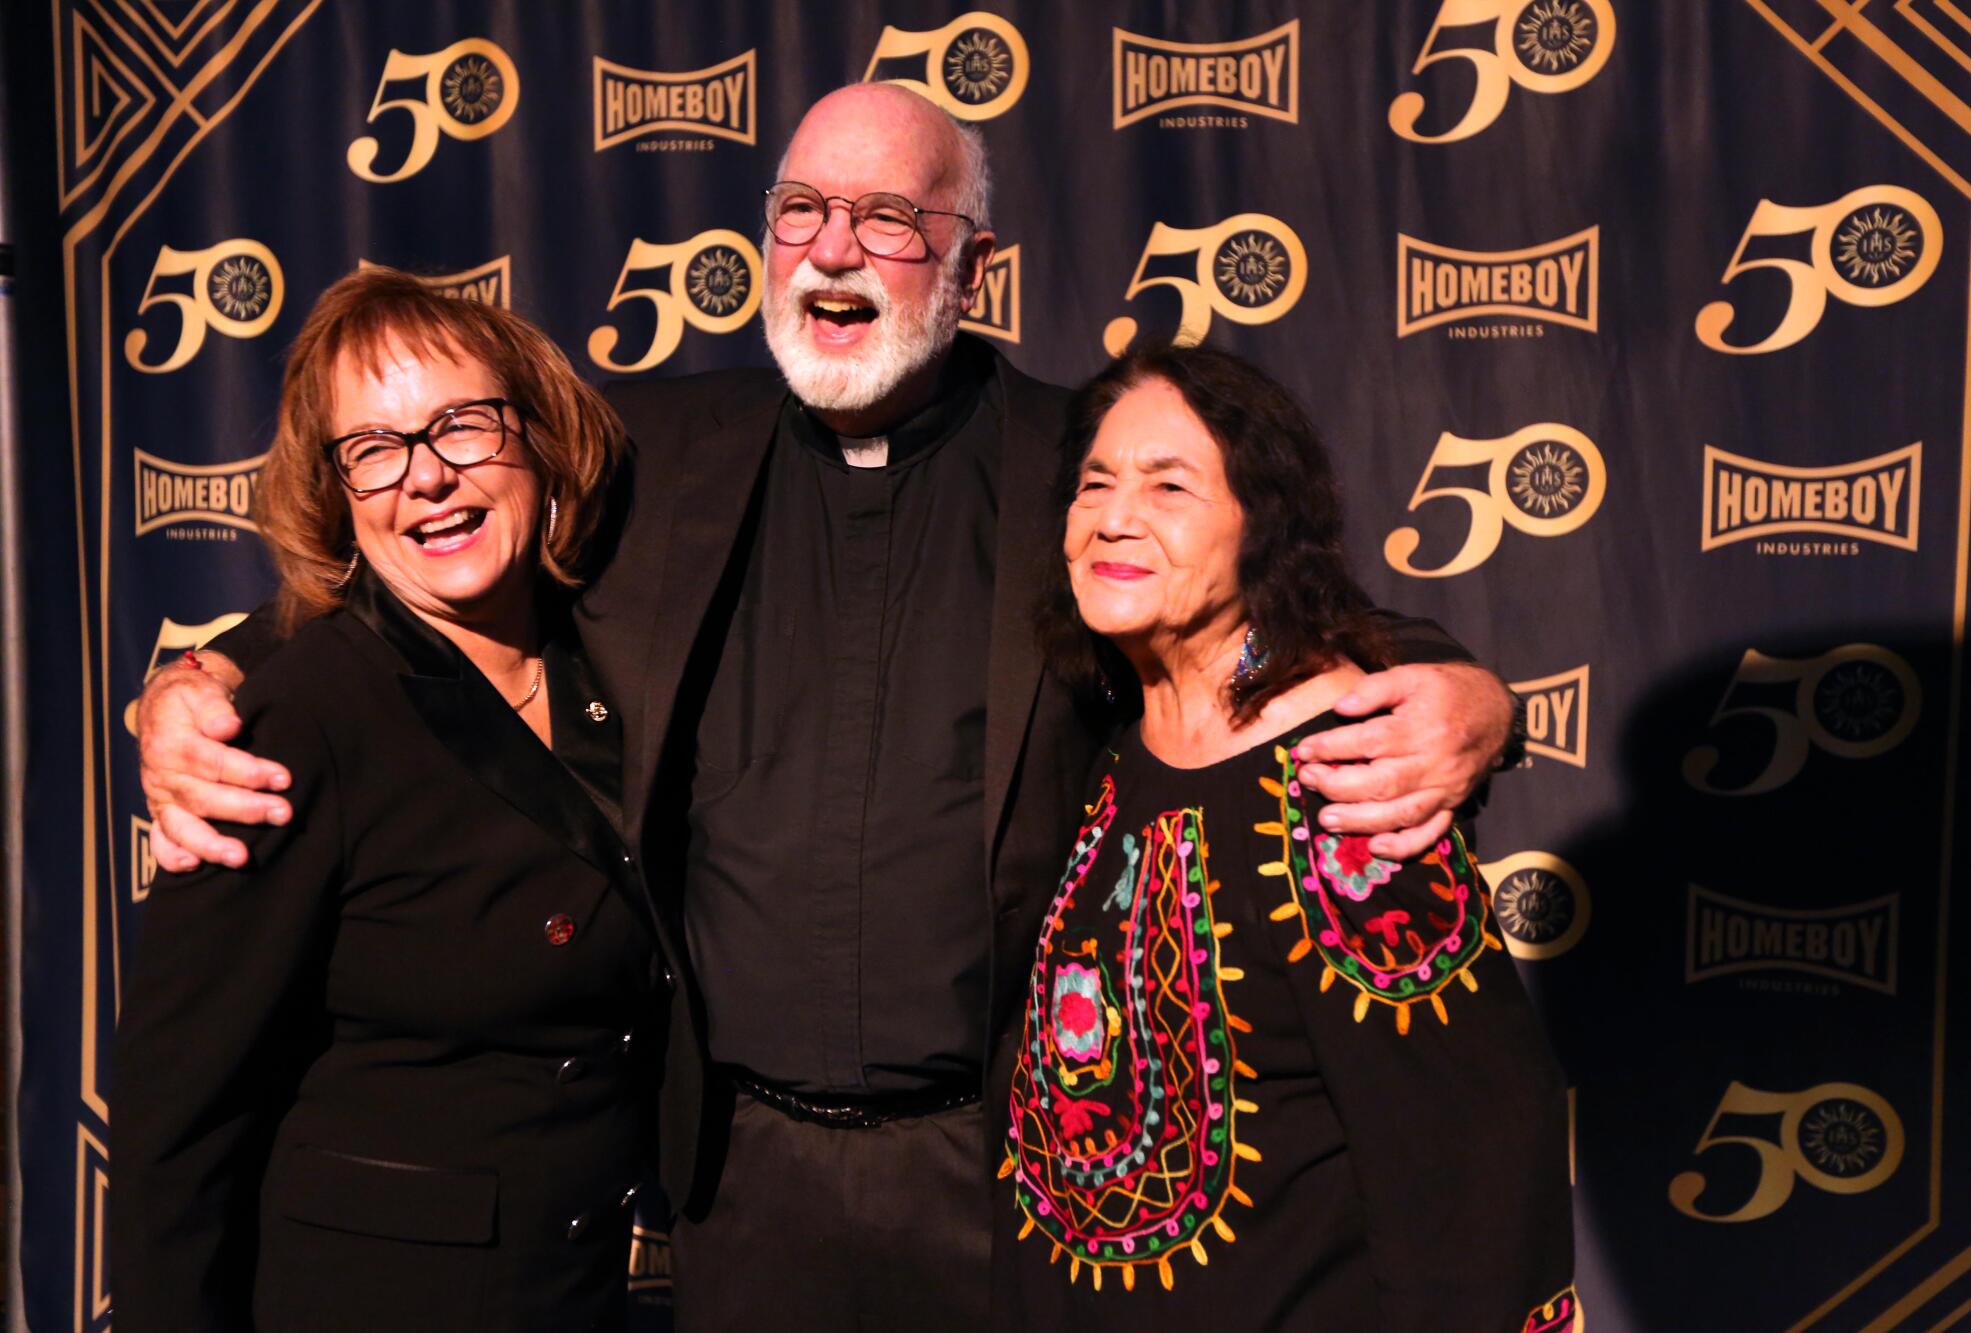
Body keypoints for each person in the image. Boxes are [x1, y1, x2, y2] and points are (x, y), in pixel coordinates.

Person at [134, 85, 1523, 1329]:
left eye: (887, 217)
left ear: (973, 262)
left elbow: (1252, 579)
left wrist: (1462, 687)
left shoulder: (1072, 466)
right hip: (741, 1186)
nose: (834, 247)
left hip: (1001, 1176)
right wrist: (203, 685)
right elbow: (420, 553)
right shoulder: (654, 456)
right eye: (799, 210)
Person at [110, 268, 669, 1333]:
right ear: (338, 493)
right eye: (373, 449)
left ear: (539, 438)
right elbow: (173, 1130)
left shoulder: (616, 650)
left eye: (460, 426)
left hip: (575, 1298)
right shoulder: (290, 726)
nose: (425, 475)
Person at [998, 342, 1574, 1330]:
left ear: (1261, 527)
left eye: (1168, 485)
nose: (1113, 518)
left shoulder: (1347, 782)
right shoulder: (1115, 744)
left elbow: (1470, 1159)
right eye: (1093, 484)